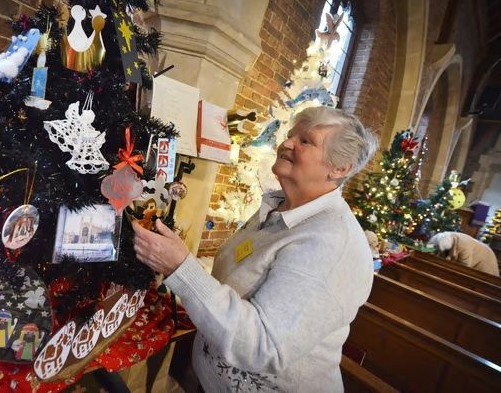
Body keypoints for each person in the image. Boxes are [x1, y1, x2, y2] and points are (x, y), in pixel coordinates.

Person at [133, 106, 379, 392]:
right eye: (290, 135)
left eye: (305, 141)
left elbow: (263, 347)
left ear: (340, 168)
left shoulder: (330, 243)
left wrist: (181, 268)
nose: (286, 143)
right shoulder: (279, 205)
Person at [428, 231, 499, 276]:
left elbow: (464, 269)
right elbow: (427, 249)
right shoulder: (437, 238)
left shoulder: (464, 246)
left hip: (485, 258)